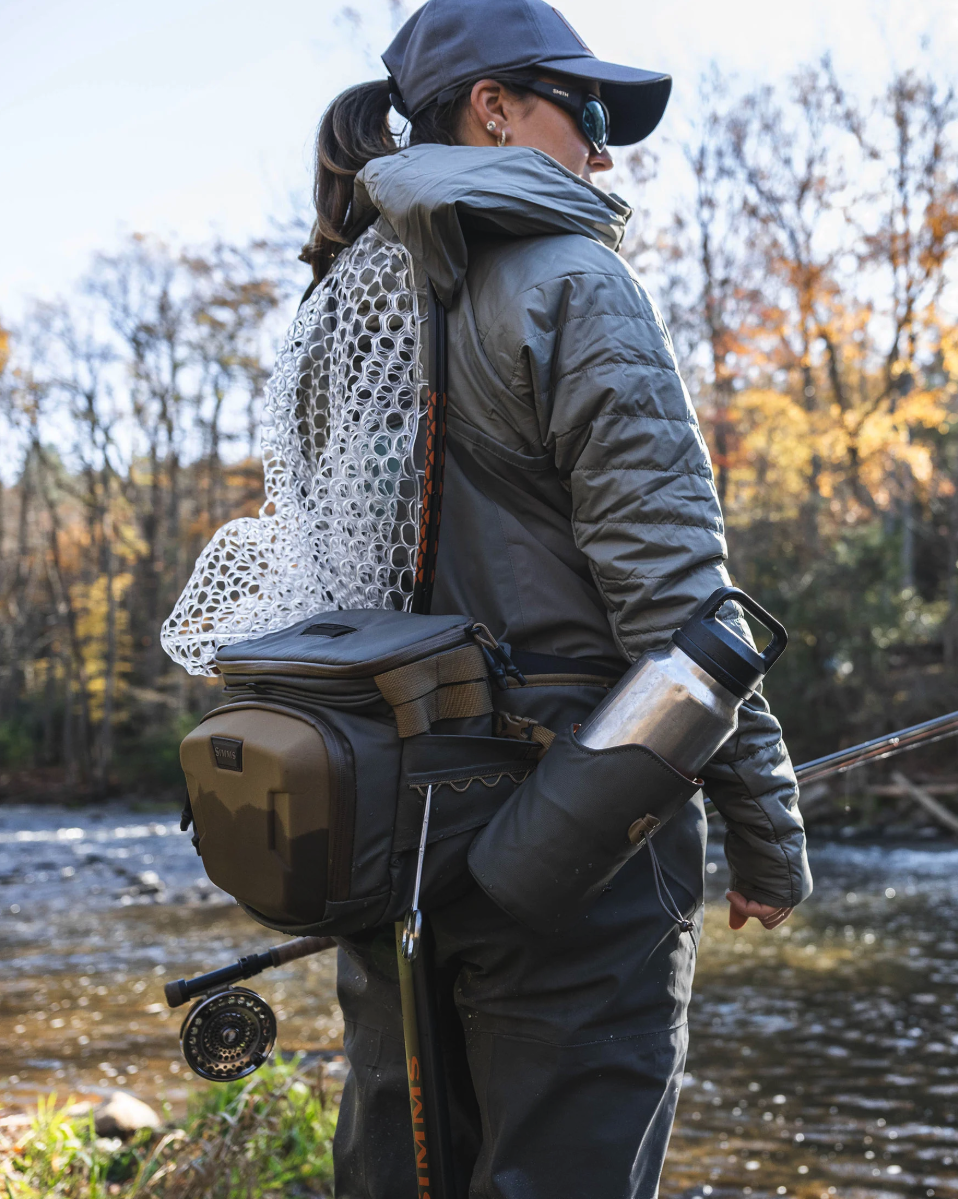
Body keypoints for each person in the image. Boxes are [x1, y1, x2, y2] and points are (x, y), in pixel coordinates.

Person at [303, 1, 812, 1195]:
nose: (603, 150)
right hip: (576, 831)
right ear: (493, 108)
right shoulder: (576, 279)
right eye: (586, 113)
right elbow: (679, 607)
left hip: (389, 826)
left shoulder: (341, 304)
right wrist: (767, 831)